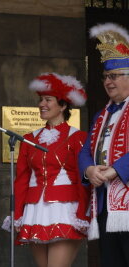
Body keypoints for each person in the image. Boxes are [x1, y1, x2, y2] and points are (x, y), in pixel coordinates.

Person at [13, 73, 90, 267]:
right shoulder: (29, 138)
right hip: (35, 210)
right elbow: (22, 179)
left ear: (63, 105)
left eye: (48, 100)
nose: (41, 104)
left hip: (66, 210)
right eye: (40, 100)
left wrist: (83, 214)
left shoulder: (78, 137)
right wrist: (18, 214)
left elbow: (83, 179)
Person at [79, 23, 129, 267]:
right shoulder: (102, 114)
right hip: (105, 204)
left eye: (115, 76)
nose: (108, 82)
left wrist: (116, 169)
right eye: (105, 77)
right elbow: (85, 150)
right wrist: (89, 170)